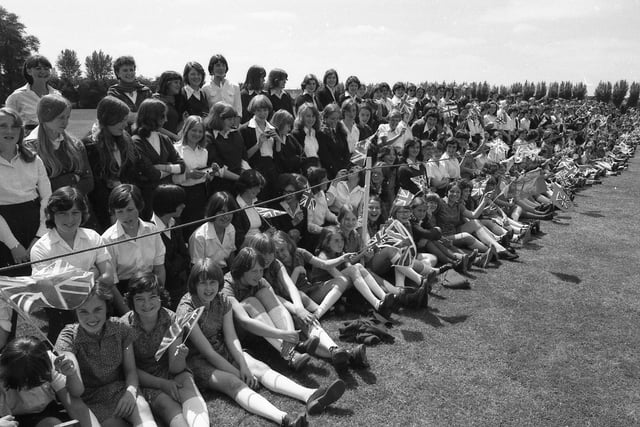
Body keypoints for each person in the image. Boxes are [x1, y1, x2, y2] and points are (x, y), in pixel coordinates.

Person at [178, 259, 344, 426]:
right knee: (233, 382)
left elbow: (231, 337)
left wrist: (243, 365)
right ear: (194, 284)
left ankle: (309, 394)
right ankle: (285, 419)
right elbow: (206, 351)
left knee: (260, 368)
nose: (209, 288)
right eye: (203, 283)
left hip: (221, 348)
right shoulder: (187, 308)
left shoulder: (222, 299)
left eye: (212, 282)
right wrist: (238, 373)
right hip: (197, 359)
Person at [244, 233, 366, 370]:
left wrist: (299, 309)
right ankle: (345, 354)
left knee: (304, 319)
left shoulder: (276, 263)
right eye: (263, 253)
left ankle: (336, 351)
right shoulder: (254, 272)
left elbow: (290, 286)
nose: (267, 257)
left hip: (281, 307)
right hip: (267, 317)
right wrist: (298, 310)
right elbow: (275, 298)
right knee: (302, 321)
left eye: (270, 252)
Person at [54, 282, 157, 426]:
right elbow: (77, 391)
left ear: (107, 308)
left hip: (122, 389)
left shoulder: (120, 328)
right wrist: (70, 373)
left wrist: (131, 392)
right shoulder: (68, 337)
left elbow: (131, 371)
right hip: (92, 399)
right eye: (83, 311)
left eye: (97, 309)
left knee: (145, 417)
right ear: (75, 312)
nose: (91, 317)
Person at [121, 272, 209, 427]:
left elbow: (176, 369)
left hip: (171, 372)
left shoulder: (172, 320)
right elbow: (131, 370)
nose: (146, 304)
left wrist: (180, 356)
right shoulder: (125, 326)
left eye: (152, 297)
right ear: (131, 301)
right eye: (139, 299)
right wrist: (162, 384)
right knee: (168, 405)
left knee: (187, 385)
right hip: (144, 379)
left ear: (160, 297)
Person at [30, 186, 119, 340]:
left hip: (96, 306)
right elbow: (48, 292)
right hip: (63, 315)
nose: (70, 219)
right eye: (63, 213)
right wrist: (94, 273)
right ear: (51, 215)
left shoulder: (93, 237)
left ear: (83, 213)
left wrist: (71, 282)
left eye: (75, 213)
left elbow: (109, 276)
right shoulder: (41, 249)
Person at [0, 107, 52, 276]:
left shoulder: (34, 159)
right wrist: (13, 245)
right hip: (4, 231)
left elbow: (47, 199)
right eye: (3, 125)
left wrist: (39, 238)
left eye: (15, 126)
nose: (9, 131)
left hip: (35, 225)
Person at [0, 336, 95, 427]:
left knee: (52, 423)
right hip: (5, 419)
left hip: (43, 414)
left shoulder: (47, 362)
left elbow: (74, 405)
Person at [101, 184, 166, 312]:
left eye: (130, 210)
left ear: (139, 207)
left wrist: (157, 297)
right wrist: (126, 313)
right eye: (120, 212)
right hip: (125, 294)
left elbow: (159, 268)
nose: (126, 216)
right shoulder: (107, 239)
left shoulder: (152, 230)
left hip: (152, 288)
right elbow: (111, 285)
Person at [83, 96, 139, 231]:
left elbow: (132, 171)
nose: (125, 125)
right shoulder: (90, 145)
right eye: (121, 120)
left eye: (126, 120)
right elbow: (96, 185)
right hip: (104, 210)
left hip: (128, 204)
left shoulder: (126, 140)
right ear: (108, 118)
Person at [314, 227, 395, 317]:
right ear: (327, 243)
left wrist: (359, 258)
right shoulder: (322, 256)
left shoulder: (339, 253)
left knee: (358, 266)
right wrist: (351, 269)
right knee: (354, 269)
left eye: (342, 240)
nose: (340, 244)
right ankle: (377, 304)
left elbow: (350, 268)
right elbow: (339, 277)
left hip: (336, 286)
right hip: (320, 292)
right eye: (336, 241)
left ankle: (383, 298)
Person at [27, 94, 94, 195]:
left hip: (77, 207)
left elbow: (88, 182)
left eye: (67, 117)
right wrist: (72, 178)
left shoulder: (75, 144)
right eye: (60, 118)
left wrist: (59, 183)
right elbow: (35, 187)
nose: (65, 122)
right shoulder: (30, 147)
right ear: (45, 117)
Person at [131, 98, 186, 219]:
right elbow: (152, 173)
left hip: (169, 197)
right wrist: (171, 169)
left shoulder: (164, 138)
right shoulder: (137, 141)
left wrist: (162, 167)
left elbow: (182, 166)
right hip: (150, 200)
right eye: (163, 116)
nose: (166, 120)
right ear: (152, 117)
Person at [150, 185, 191, 310]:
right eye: (179, 203)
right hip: (166, 292)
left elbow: (184, 255)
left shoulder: (174, 223)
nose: (183, 206)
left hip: (183, 286)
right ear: (168, 204)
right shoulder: (151, 230)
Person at [172, 116, 210, 238]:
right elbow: (172, 178)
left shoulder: (204, 151)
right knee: (186, 228)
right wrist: (188, 175)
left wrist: (209, 174)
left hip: (200, 192)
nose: (197, 134)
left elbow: (204, 176)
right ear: (186, 129)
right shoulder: (176, 149)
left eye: (200, 131)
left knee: (199, 227)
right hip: (183, 193)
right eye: (194, 130)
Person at [5, 55, 60, 132]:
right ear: (29, 71)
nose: (43, 71)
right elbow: (8, 123)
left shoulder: (57, 95)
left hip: (53, 140)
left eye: (46, 69)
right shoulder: (16, 96)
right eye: (38, 68)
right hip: (27, 141)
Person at [204, 102, 249, 195]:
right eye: (229, 119)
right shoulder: (209, 136)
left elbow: (243, 155)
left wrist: (245, 174)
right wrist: (240, 179)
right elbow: (216, 166)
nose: (233, 122)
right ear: (218, 119)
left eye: (233, 118)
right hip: (221, 186)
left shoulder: (235, 133)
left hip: (239, 183)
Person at [239, 95, 278, 200]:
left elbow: (277, 154)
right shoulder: (244, 129)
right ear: (253, 110)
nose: (262, 113)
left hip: (271, 169)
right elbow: (244, 156)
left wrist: (278, 141)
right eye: (258, 110)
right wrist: (258, 144)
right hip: (255, 170)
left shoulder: (273, 128)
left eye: (265, 110)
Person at [188, 191, 237, 271]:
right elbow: (196, 268)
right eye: (222, 212)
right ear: (213, 212)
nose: (226, 216)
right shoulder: (199, 237)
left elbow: (231, 254)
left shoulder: (231, 228)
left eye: (230, 212)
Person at [107, 56, 153, 126]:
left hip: (146, 134)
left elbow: (155, 115)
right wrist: (145, 117)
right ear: (118, 73)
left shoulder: (146, 91)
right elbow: (119, 116)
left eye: (131, 70)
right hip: (122, 134)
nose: (129, 73)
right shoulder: (113, 93)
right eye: (125, 70)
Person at [231, 169, 269, 248]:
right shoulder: (234, 207)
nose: (258, 190)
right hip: (247, 249)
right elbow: (239, 240)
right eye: (255, 187)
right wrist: (263, 236)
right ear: (245, 186)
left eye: (259, 187)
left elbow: (268, 227)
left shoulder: (260, 204)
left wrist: (269, 232)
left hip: (264, 245)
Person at [202, 54, 242, 121]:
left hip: (231, 126)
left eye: (223, 65)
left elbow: (238, 111)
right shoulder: (205, 88)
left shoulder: (235, 87)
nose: (221, 68)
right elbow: (205, 112)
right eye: (217, 65)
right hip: (213, 126)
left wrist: (234, 127)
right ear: (212, 68)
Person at [317, 104, 350, 179]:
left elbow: (346, 152)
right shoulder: (321, 134)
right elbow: (326, 157)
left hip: (343, 172)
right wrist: (337, 173)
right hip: (330, 174)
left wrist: (345, 170)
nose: (335, 121)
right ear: (325, 118)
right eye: (332, 119)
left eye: (337, 118)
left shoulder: (341, 131)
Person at [153, 71, 186, 140]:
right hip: (158, 140)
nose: (179, 85)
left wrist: (183, 121)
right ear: (166, 84)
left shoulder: (177, 102)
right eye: (176, 82)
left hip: (171, 142)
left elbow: (174, 129)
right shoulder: (156, 100)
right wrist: (174, 136)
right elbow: (155, 127)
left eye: (180, 83)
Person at [290, 102, 322, 173]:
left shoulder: (316, 133)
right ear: (301, 117)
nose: (311, 119)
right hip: (305, 171)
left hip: (317, 170)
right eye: (308, 116)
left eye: (313, 116)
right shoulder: (296, 134)